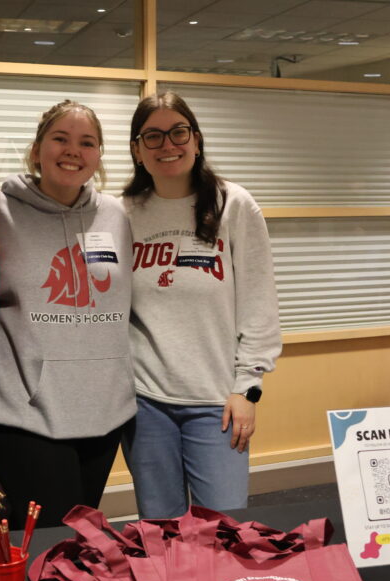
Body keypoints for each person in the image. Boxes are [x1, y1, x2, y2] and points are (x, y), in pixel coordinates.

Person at [120, 91, 282, 519]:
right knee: (160, 530)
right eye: (152, 137)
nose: (167, 145)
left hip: (218, 402)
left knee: (223, 528)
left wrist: (248, 387)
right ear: (136, 149)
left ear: (196, 139)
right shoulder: (122, 213)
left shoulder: (234, 205)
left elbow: (259, 304)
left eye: (178, 132)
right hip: (144, 402)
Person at [0, 100, 134, 529]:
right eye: (60, 139)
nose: (73, 151)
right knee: (46, 541)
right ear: (36, 150)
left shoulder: (115, 215)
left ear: (99, 156)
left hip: (103, 411)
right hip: (25, 412)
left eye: (87, 143)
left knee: (81, 538)